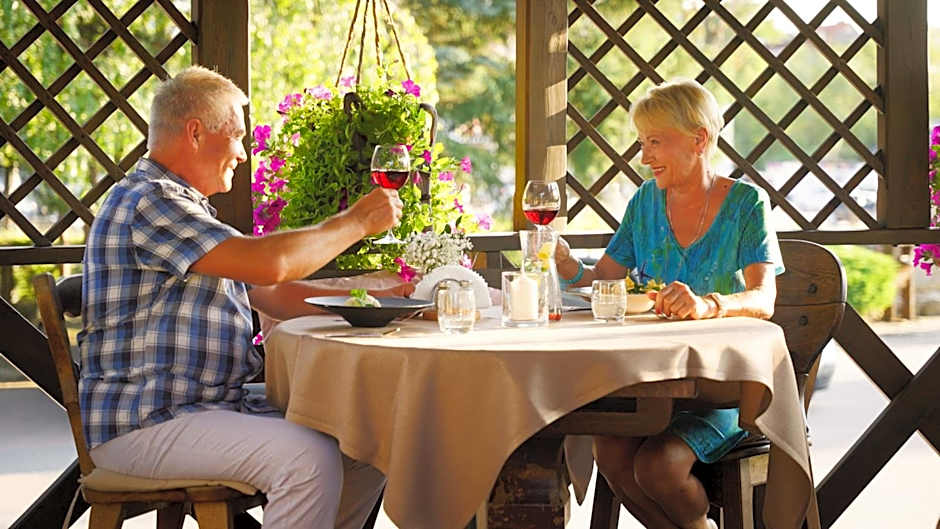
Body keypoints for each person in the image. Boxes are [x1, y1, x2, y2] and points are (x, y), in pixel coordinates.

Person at [78, 66, 413, 529]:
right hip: (147, 421)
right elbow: (270, 264)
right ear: (196, 133)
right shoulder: (149, 201)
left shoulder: (184, 207)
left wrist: (388, 298)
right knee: (307, 460)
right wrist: (354, 223)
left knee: (365, 440)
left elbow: (273, 292)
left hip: (203, 409)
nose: (243, 152)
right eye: (236, 136)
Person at [556, 79, 783, 529]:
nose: (644, 157)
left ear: (699, 140)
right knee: (610, 449)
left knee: (658, 466)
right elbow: (605, 279)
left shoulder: (745, 203)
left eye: (655, 142)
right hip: (649, 382)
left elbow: (765, 298)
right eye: (642, 143)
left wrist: (707, 305)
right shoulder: (644, 203)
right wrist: (564, 263)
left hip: (722, 388)